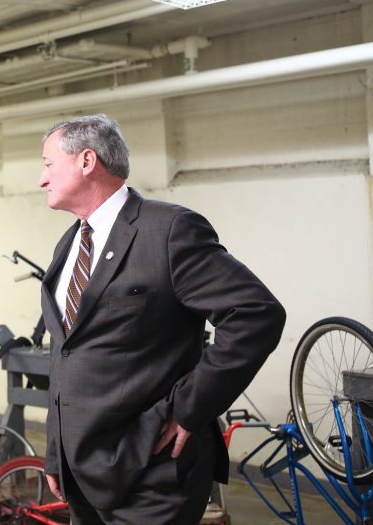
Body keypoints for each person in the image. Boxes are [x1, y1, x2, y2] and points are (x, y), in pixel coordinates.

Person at [36, 113, 285, 524]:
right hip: (81, 471)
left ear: (86, 161)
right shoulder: (71, 243)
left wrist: (191, 408)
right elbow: (66, 357)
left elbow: (255, 314)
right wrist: (54, 456)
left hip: (151, 468)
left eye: (47, 164)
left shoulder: (168, 230)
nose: (42, 180)